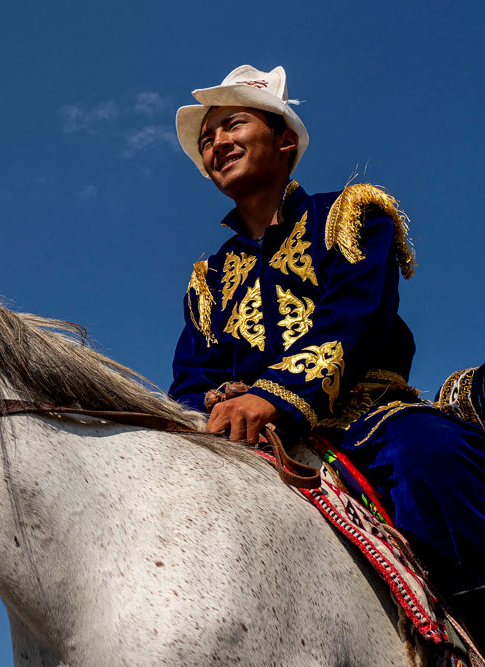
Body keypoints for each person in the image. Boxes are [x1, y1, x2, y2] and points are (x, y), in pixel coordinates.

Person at [168, 64, 484, 644]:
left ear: (284, 140)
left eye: (232, 125)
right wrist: (214, 406)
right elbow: (192, 376)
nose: (217, 145)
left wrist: (270, 396)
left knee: (428, 455)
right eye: (207, 139)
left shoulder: (350, 214)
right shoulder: (207, 279)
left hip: (366, 418)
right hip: (252, 442)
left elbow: (355, 318)